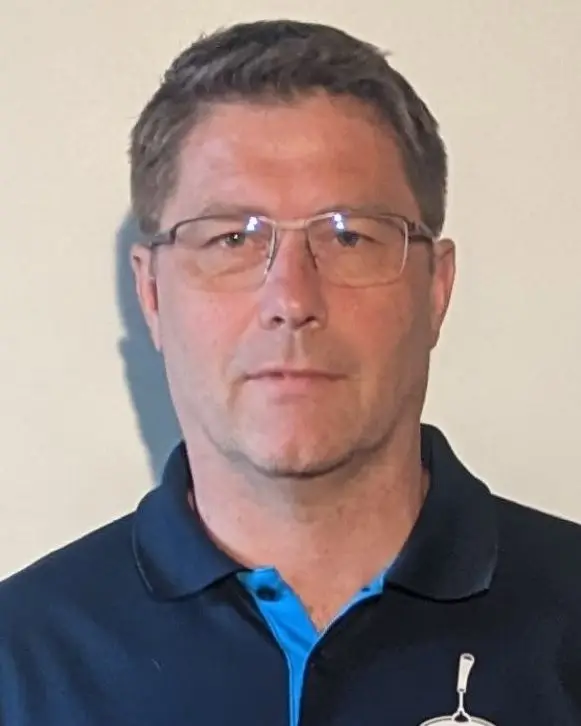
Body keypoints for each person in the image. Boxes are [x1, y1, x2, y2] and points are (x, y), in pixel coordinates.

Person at [0, 18, 580, 726]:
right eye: (231, 239)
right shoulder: (18, 665)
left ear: (435, 288)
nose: (292, 301)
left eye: (349, 237)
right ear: (151, 295)